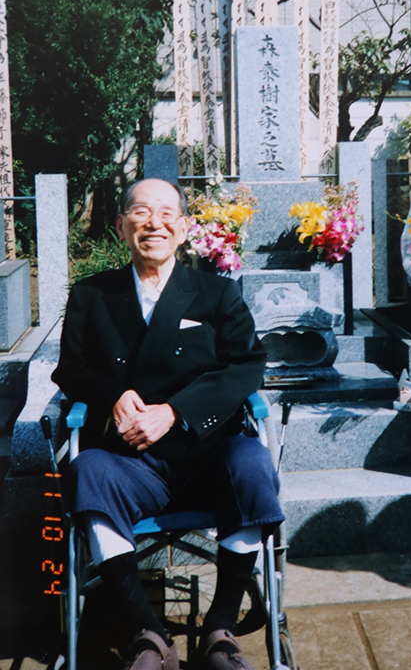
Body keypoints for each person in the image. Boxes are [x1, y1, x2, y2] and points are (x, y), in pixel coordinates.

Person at [52, 178, 284, 670]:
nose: (152, 223)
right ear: (121, 225)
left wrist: (176, 410)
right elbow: (69, 369)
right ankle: (148, 634)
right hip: (129, 462)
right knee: (87, 471)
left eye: (164, 214)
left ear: (182, 228)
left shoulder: (216, 293)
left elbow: (247, 366)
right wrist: (112, 395)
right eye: (139, 212)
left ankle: (220, 630)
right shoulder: (92, 295)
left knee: (253, 463)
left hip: (206, 453)